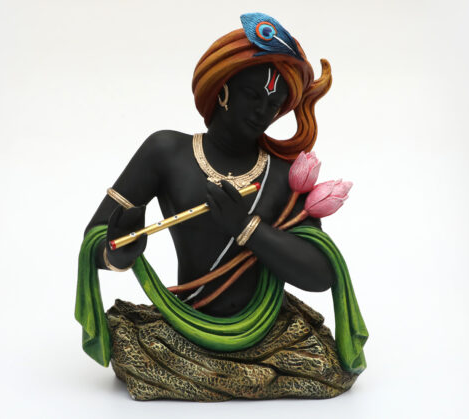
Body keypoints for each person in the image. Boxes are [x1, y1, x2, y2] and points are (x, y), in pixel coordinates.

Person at [77, 13, 367, 400]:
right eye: (253, 96)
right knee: (135, 351)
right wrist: (119, 253)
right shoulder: (166, 152)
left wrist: (247, 228)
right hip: (184, 325)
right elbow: (97, 239)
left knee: (323, 367)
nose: (263, 112)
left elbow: (320, 274)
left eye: (274, 104)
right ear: (223, 87)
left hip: (268, 334)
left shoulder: (283, 175)